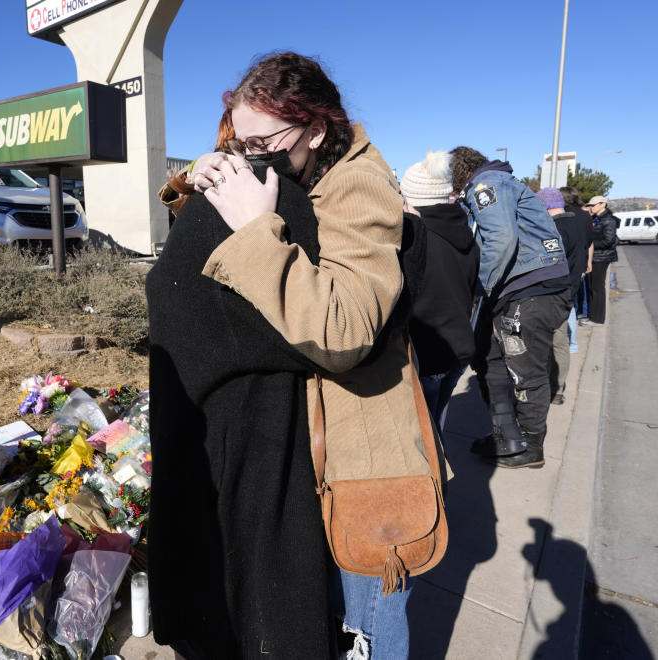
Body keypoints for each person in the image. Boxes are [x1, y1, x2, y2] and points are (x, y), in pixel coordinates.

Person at [155, 52, 432, 659]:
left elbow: (345, 329)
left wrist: (255, 228)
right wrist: (204, 181)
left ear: (316, 128)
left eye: (263, 140)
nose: (250, 153)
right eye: (237, 137)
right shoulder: (298, 165)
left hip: (357, 437)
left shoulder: (357, 184)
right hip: (308, 429)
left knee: (368, 612)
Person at [451, 147, 572, 469]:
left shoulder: (485, 185)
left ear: (459, 172)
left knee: (525, 370)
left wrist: (480, 289)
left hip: (529, 289)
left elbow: (501, 239)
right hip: (532, 286)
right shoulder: (500, 183)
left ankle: (530, 447)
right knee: (488, 357)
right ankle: (508, 436)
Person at [399, 150, 479, 432]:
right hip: (458, 349)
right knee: (437, 433)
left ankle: (437, 477)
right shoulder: (465, 230)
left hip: (427, 353)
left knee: (423, 441)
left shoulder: (414, 235)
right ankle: (442, 476)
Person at [537, 188, 590, 406]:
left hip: (552, 294)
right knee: (560, 342)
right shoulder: (578, 223)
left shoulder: (554, 229)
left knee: (550, 342)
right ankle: (558, 388)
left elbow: (547, 264)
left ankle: (551, 388)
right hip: (570, 289)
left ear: (545, 206)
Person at [559, 186, 594, 356]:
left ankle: (566, 342)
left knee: (563, 303)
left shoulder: (563, 216)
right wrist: (588, 261)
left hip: (565, 264)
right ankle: (572, 343)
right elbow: (589, 242)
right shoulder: (585, 215)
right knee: (571, 303)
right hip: (580, 263)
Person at [583, 195, 618, 325]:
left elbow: (609, 241)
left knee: (597, 288)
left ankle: (597, 318)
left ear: (603, 204)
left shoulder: (608, 220)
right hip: (596, 257)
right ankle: (592, 316)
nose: (591, 207)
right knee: (592, 288)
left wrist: (590, 244)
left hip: (601, 257)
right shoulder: (597, 219)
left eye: (594, 205)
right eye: (590, 205)